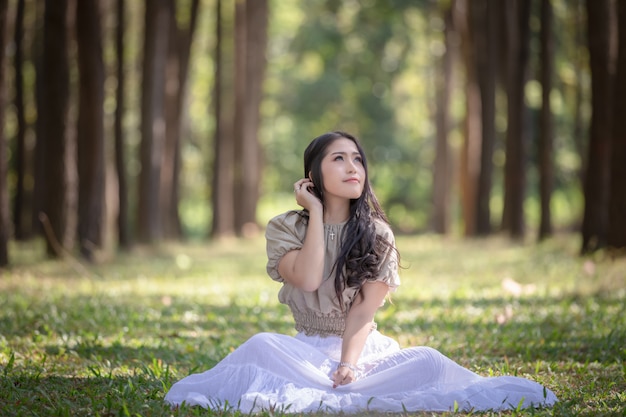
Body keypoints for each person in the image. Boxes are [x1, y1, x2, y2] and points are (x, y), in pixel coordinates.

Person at [164, 131, 558, 413]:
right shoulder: (286, 227)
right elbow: (307, 278)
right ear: (312, 175)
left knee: (430, 361)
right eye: (338, 158)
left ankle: (341, 388)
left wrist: (348, 366)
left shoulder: (378, 233)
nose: (353, 167)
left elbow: (363, 313)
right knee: (261, 344)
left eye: (357, 159)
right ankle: (325, 387)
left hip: (362, 353)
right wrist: (316, 213)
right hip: (302, 350)